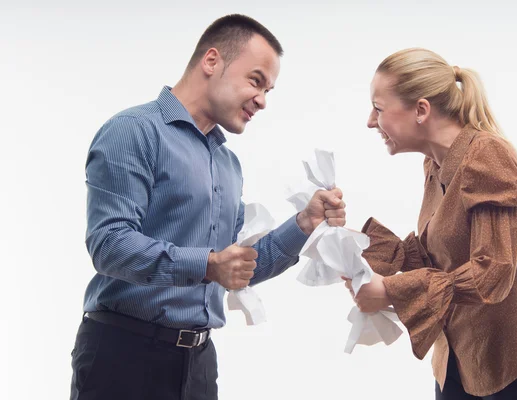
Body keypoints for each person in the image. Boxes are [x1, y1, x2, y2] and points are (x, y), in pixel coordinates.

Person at [70, 14, 346, 400]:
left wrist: (304, 222)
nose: (263, 101)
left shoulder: (227, 164)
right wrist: (208, 265)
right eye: (256, 80)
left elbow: (235, 268)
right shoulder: (133, 130)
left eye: (269, 89)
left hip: (198, 363)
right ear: (212, 61)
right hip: (123, 358)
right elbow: (109, 245)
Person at [345, 48, 517, 399]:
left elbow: (491, 273)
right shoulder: (437, 164)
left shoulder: (487, 156)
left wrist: (389, 291)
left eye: (378, 108)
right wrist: (347, 243)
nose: (370, 122)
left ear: (421, 110)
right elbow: (434, 254)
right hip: (459, 363)